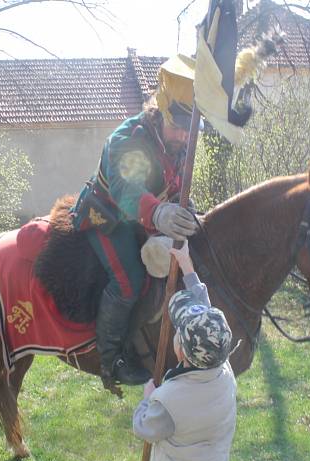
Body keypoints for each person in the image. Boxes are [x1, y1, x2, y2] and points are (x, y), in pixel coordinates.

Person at [71, 55, 199, 386]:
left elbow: (175, 184)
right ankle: (110, 360)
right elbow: (125, 189)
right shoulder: (129, 138)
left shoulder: (179, 143)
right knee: (129, 281)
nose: (185, 137)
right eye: (179, 127)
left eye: (190, 130)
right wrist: (159, 212)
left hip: (145, 219)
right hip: (109, 216)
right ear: (161, 112)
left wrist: (186, 209)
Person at [132, 242, 237, 461]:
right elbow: (207, 315)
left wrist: (147, 399)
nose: (177, 333)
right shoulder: (223, 371)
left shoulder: (169, 401)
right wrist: (187, 267)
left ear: (182, 352)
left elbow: (145, 428)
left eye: (180, 332)